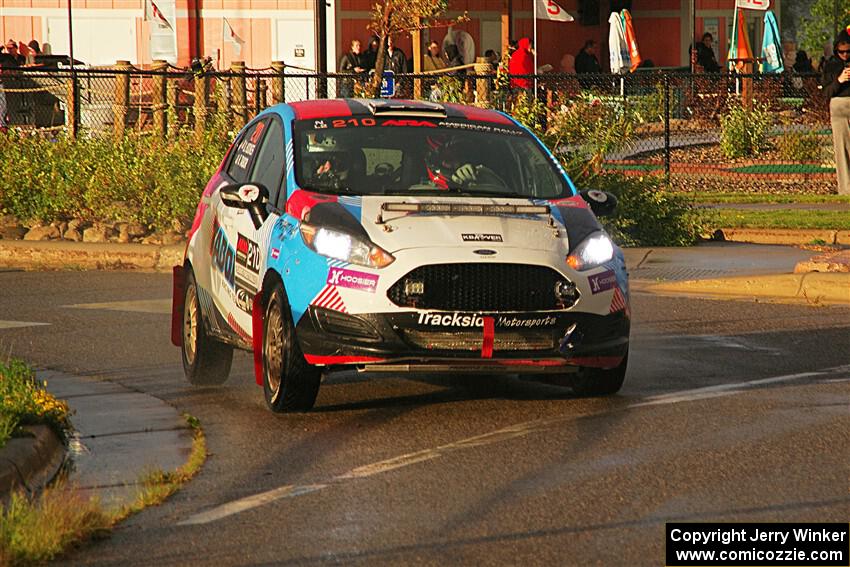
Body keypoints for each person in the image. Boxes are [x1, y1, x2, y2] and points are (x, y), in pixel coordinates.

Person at [823, 30, 850, 195]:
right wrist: (839, 80)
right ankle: (846, 190)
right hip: (839, 107)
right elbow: (826, 92)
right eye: (842, 52)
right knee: (841, 149)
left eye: (848, 51)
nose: (845, 55)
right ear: (836, 51)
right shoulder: (831, 66)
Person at [425, 136, 506, 190]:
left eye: (461, 153)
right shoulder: (423, 190)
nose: (458, 163)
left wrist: (481, 176)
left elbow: (504, 193)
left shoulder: (483, 174)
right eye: (448, 158)